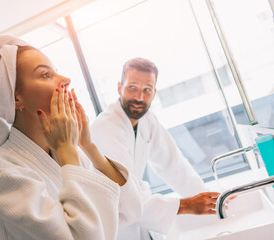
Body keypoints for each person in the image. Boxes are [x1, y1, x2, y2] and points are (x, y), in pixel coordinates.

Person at [0, 35, 143, 240]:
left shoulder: (70, 156)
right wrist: (68, 153)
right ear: (14, 97)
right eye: (46, 74)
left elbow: (130, 211)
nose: (66, 80)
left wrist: (88, 146)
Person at [90, 57, 220, 239]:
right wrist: (186, 205)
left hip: (140, 219)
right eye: (132, 87)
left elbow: (174, 165)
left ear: (154, 93)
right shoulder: (105, 128)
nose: (139, 97)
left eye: (147, 90)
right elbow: (126, 197)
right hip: (115, 229)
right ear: (120, 88)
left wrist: (209, 201)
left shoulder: (147, 121)